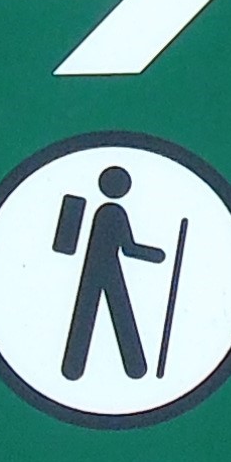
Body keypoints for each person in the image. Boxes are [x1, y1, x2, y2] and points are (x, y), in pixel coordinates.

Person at [59, 162, 168, 381]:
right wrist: (157, 255)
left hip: (97, 271)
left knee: (88, 314)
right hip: (105, 271)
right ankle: (134, 368)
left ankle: (74, 368)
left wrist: (156, 255)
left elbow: (65, 243)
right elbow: (129, 248)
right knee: (118, 314)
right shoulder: (113, 212)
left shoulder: (106, 212)